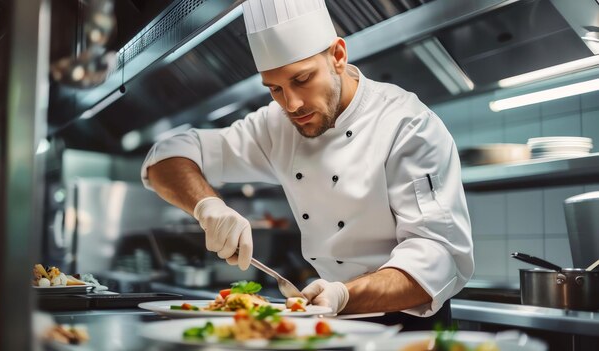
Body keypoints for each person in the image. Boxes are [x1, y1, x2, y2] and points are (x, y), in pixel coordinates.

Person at [141, 0, 473, 330]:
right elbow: (165, 156)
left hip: (407, 326)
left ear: (338, 56)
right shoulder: (275, 126)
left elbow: (438, 257)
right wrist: (207, 206)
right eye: (275, 89)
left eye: (302, 79)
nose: (292, 104)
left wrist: (343, 296)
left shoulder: (407, 124)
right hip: (328, 322)